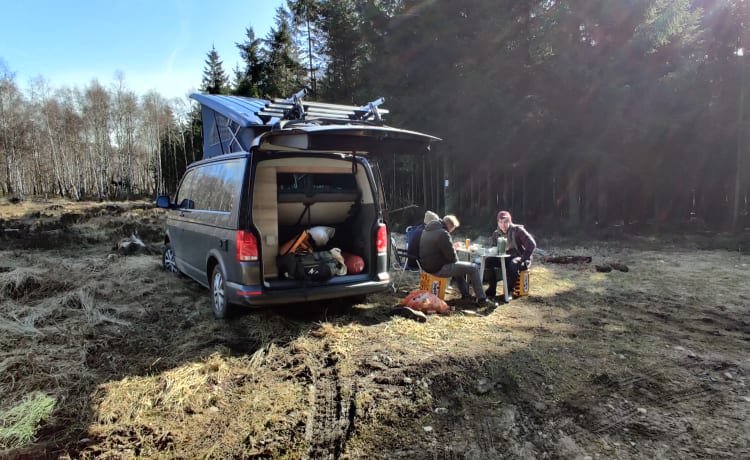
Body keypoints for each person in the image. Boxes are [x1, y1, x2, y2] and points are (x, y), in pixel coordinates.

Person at [419, 214, 496, 309]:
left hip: (427, 266)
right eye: (453, 228)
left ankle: (466, 296)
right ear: (450, 226)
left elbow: (437, 251)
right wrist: (454, 248)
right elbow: (453, 258)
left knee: (459, 268)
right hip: (438, 269)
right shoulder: (443, 233)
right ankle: (482, 300)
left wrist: (450, 248)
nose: (452, 231)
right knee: (473, 267)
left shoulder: (427, 230)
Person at [484, 210, 536, 300]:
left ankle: (509, 291)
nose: (503, 225)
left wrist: (524, 258)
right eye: (500, 222)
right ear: (498, 222)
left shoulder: (518, 230)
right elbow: (493, 248)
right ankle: (492, 289)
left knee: (514, 263)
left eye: (505, 222)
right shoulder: (496, 233)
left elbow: (532, 244)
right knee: (488, 261)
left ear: (510, 221)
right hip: (504, 258)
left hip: (519, 257)